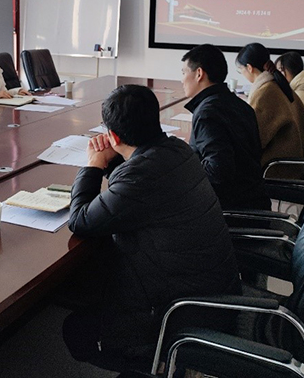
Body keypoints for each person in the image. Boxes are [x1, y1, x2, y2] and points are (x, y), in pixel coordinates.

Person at [64, 84, 240, 372]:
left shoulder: (141, 177)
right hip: (215, 293)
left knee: (76, 330)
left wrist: (94, 165)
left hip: (181, 313)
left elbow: (81, 220)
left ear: (114, 136)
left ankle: (152, 366)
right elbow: (138, 187)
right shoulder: (178, 149)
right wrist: (115, 162)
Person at [181, 44, 269, 210]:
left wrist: (184, 168)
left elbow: (218, 172)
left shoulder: (207, 114)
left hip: (230, 210)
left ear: (199, 74)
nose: (182, 80)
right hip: (254, 200)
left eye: (184, 73)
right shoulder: (239, 104)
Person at [236, 43, 304, 167]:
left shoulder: (265, 92)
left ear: (249, 68)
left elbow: (254, 138)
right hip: (292, 158)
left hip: (277, 166)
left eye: (241, 71)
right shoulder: (276, 84)